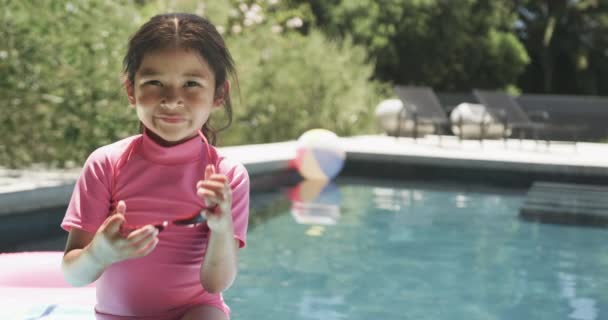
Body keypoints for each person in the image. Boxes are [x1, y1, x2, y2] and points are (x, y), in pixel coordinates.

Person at [60, 13, 250, 320]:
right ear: (131, 90)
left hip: (194, 311)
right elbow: (73, 275)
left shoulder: (226, 176)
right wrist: (99, 253)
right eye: (154, 82)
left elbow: (216, 283)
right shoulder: (106, 164)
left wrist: (221, 225)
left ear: (218, 94)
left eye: (191, 83)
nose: (172, 99)